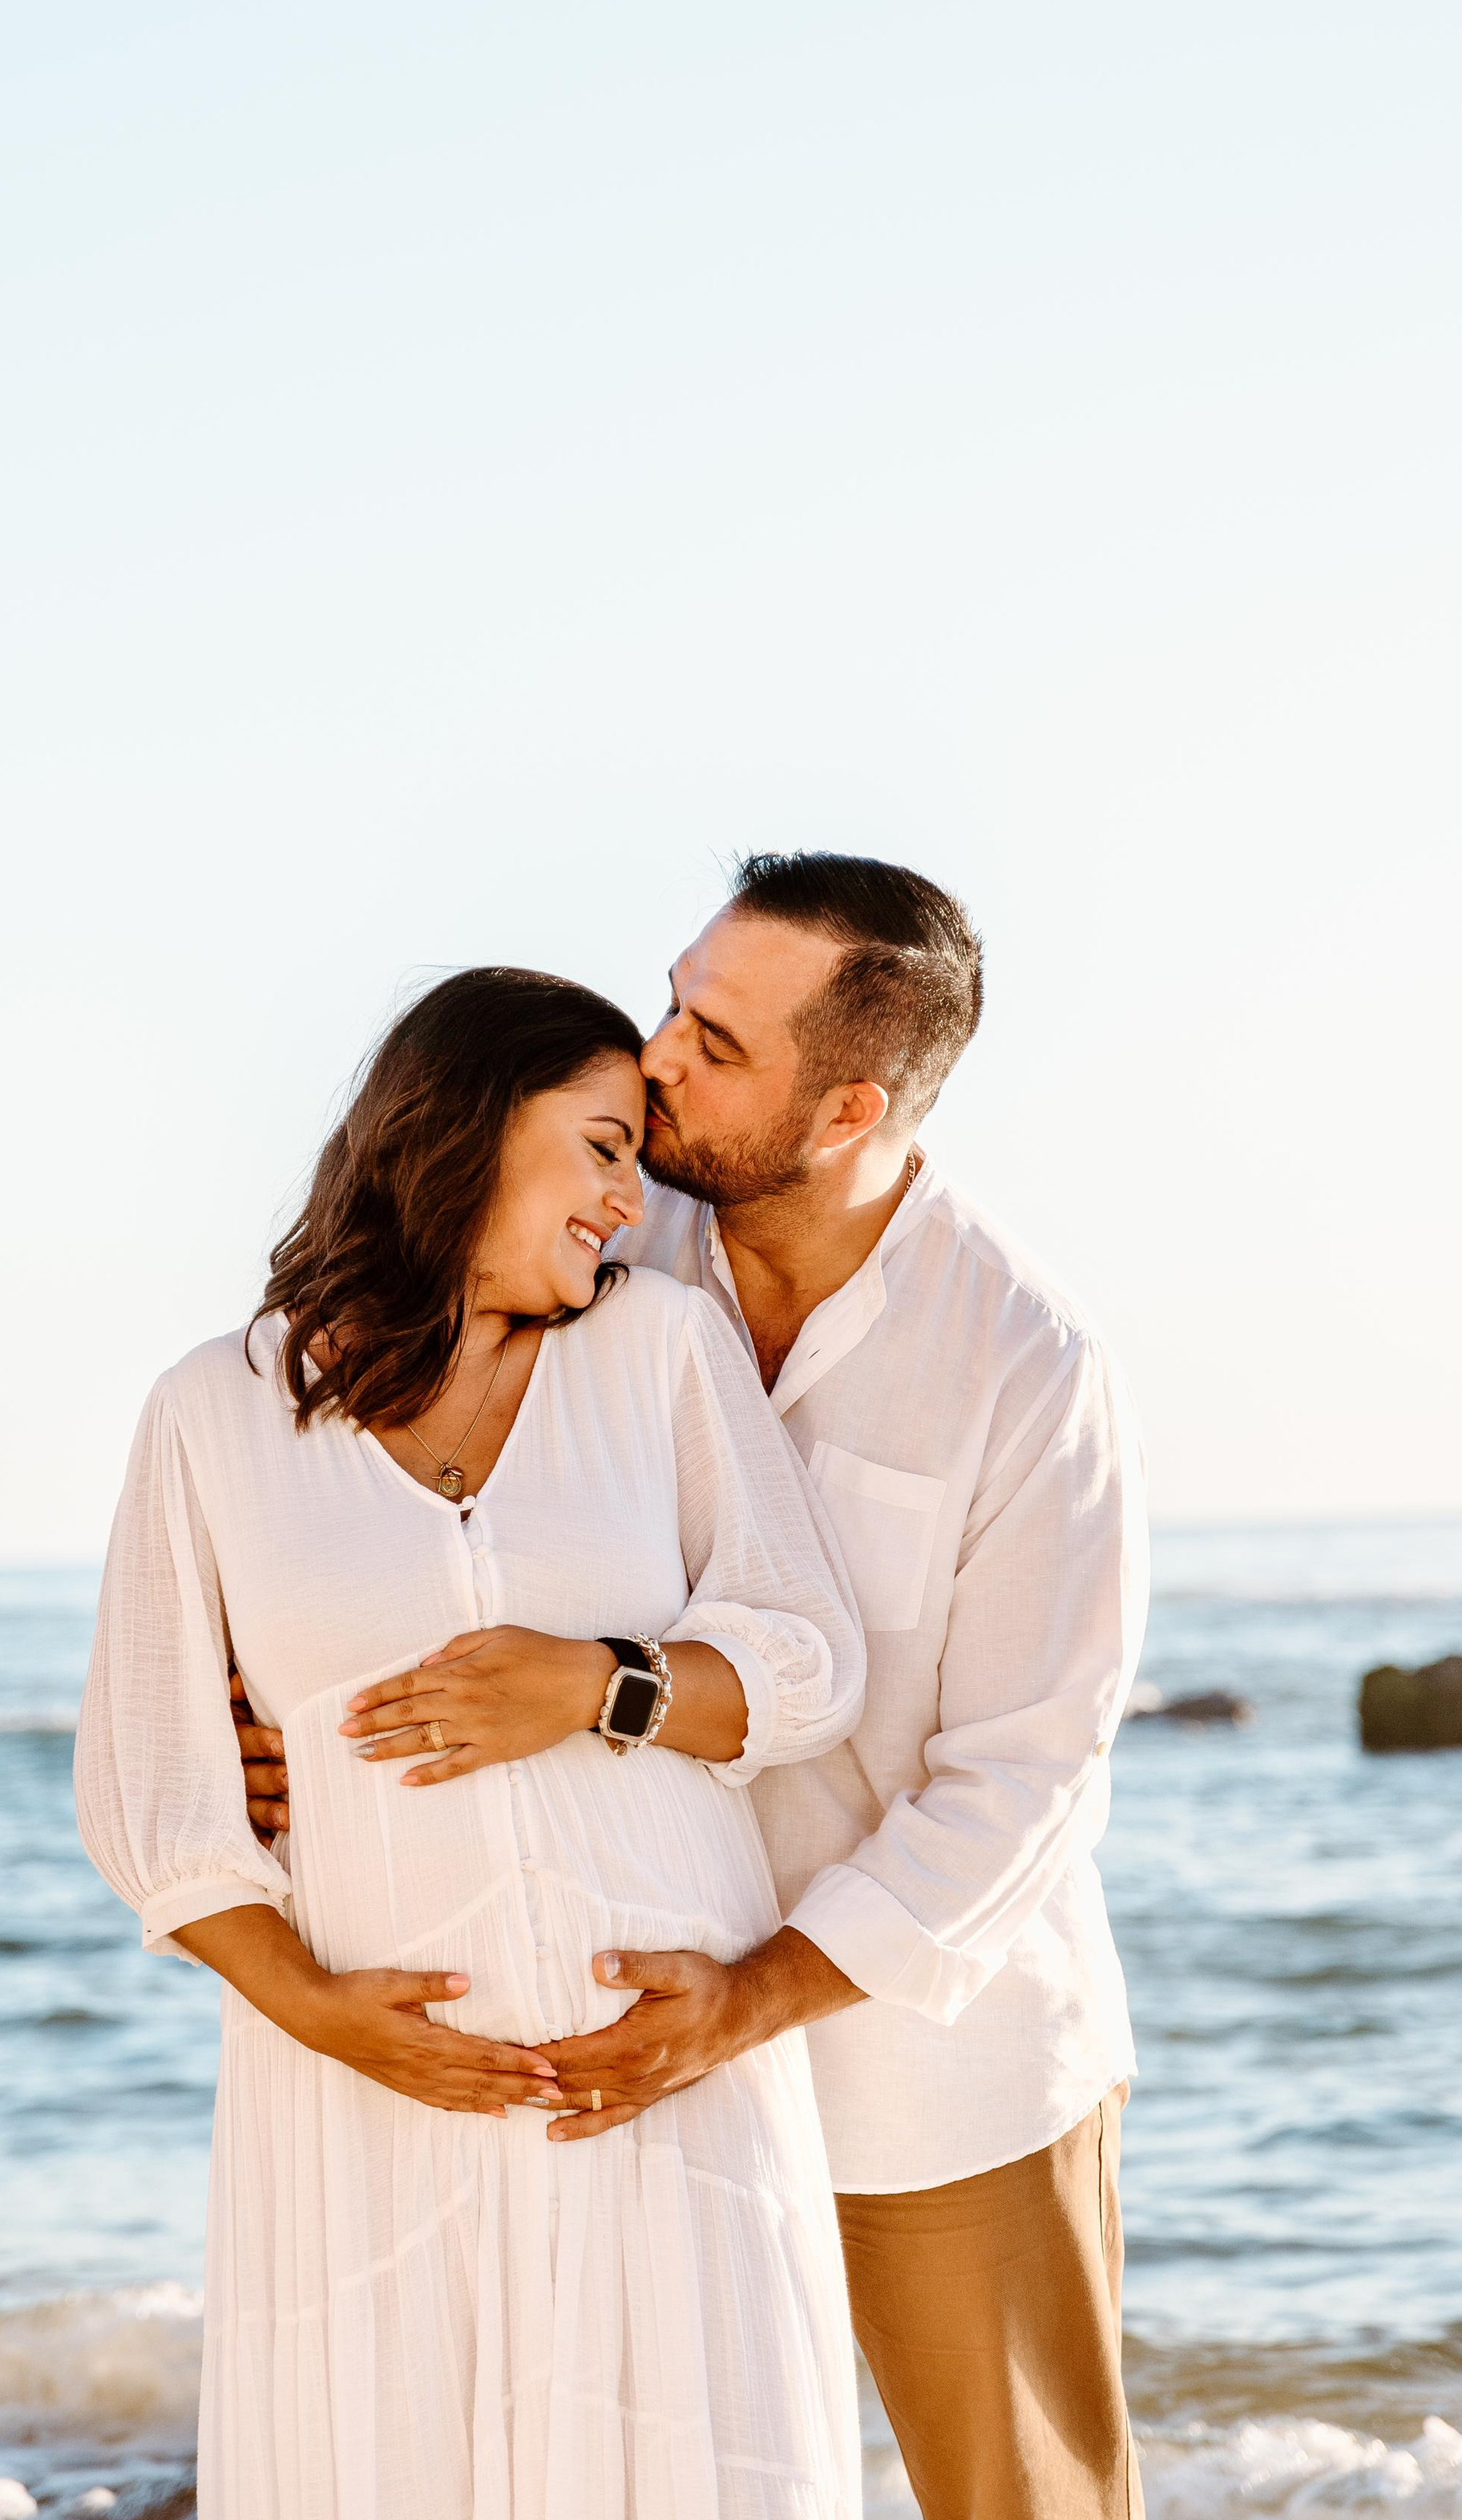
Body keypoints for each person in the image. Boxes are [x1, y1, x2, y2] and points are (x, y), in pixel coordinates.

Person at [238, 856, 1152, 2520]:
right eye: (672, 998)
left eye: (713, 1040)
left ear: (846, 1105)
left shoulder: (1022, 1360)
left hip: (917, 2058)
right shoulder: (591, 1228)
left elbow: (1023, 1775)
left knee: (1019, 2504)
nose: (654, 1053)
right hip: (608, 2027)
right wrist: (260, 1725)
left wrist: (750, 1999)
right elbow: (353, 1485)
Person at [75, 967, 868, 2520]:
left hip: (649, 2068)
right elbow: (151, 1790)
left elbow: (804, 1662)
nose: (625, 1201)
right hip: (366, 2097)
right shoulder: (215, 1411)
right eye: (596, 1146)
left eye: (635, 1157)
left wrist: (597, 1684)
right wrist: (310, 2007)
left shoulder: (658, 1352)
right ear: (462, 1131)